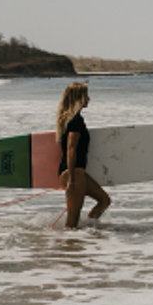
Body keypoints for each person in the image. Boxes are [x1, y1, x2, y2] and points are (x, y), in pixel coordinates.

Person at [57, 81, 110, 230]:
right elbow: (71, 149)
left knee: (104, 200)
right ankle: (68, 246)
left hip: (77, 172)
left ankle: (86, 230)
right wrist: (72, 179)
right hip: (73, 172)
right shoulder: (75, 120)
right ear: (78, 98)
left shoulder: (71, 119)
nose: (89, 99)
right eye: (86, 96)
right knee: (72, 220)